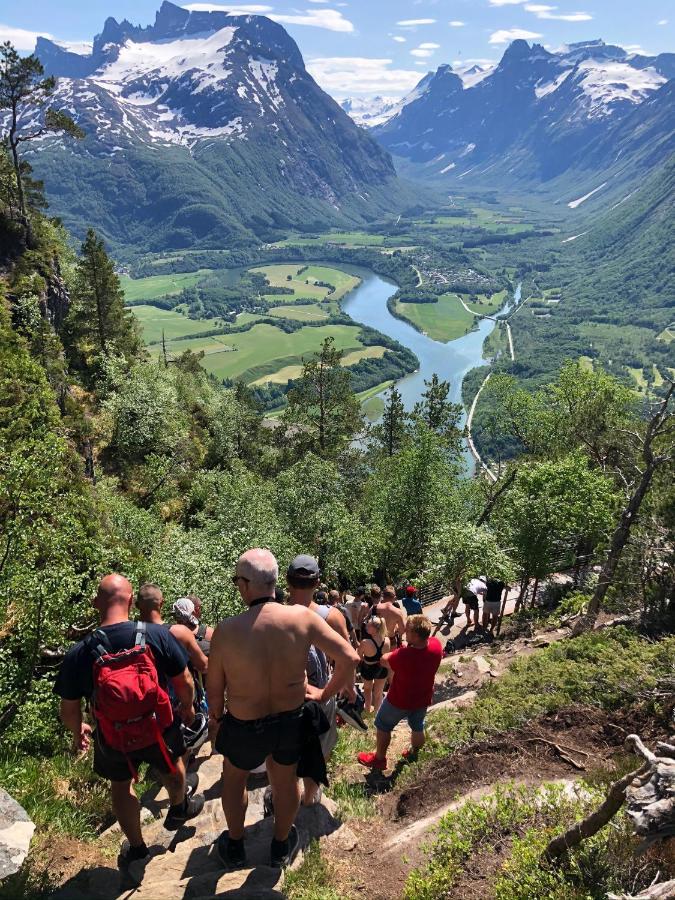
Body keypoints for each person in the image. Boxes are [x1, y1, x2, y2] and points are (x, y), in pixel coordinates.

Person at [207, 549, 358, 870]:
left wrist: (216, 719)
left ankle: (235, 845)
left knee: (234, 779)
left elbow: (215, 689)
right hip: (290, 719)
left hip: (245, 722)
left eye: (237, 581)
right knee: (285, 779)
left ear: (247, 584)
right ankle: (279, 845)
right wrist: (323, 693)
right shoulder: (301, 618)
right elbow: (350, 658)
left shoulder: (227, 630)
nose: (237, 586)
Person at [54, 575, 204, 868]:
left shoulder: (80, 652)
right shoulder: (156, 635)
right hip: (158, 725)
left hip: (113, 735)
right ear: (132, 602)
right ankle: (178, 807)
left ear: (96, 603)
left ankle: (136, 849)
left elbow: (68, 708)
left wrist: (78, 731)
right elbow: (184, 679)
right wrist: (187, 707)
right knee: (172, 763)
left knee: (121, 787)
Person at [287, 555, 362, 806]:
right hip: (318, 695)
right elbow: (347, 658)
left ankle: (289, 797)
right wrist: (343, 689)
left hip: (285, 696)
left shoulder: (274, 614)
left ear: (287, 582)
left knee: (287, 752)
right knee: (322, 746)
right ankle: (310, 797)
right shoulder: (330, 616)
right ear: (318, 582)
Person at [358, 615, 442, 771]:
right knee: (418, 726)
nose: (404, 632)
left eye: (407, 631)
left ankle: (379, 759)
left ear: (415, 636)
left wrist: (402, 647)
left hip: (399, 699)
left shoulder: (403, 655)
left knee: (383, 725)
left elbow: (383, 659)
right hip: (423, 696)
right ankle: (414, 752)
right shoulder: (436, 646)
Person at [137, 584, 208, 756]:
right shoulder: (178, 632)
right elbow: (203, 665)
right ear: (161, 603)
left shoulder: (132, 634)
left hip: (146, 702)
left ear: (137, 605)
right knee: (181, 746)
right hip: (178, 700)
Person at [358, 615, 390, 714]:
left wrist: (364, 660)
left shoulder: (365, 642)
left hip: (368, 668)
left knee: (367, 690)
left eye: (368, 626)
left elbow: (359, 656)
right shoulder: (387, 640)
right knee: (379, 693)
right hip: (382, 668)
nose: (366, 627)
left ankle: (367, 710)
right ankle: (377, 712)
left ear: (375, 628)